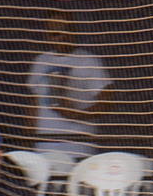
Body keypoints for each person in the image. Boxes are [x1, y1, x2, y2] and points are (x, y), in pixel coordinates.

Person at [25, 9, 113, 166]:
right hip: (45, 143)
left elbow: (108, 102)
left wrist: (77, 114)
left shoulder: (89, 61)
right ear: (47, 36)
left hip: (78, 143)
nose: (61, 36)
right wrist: (29, 138)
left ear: (74, 30)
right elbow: (34, 103)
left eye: (65, 30)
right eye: (54, 33)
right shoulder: (41, 62)